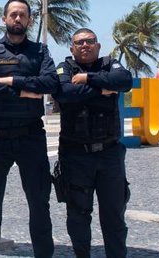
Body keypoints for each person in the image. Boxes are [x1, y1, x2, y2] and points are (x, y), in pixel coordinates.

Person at [0, 0, 59, 258]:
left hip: (31, 138)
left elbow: (50, 84)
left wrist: (11, 80)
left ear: (30, 20)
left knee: (39, 204)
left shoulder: (41, 52)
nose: (18, 19)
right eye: (13, 14)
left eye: (23, 15)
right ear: (5, 19)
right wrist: (24, 92)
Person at [53, 28, 133, 258]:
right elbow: (65, 92)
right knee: (78, 216)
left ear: (98, 46)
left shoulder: (110, 64)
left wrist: (88, 79)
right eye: (79, 42)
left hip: (109, 154)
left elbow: (124, 80)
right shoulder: (65, 68)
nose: (85, 45)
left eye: (89, 41)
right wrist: (103, 90)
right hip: (75, 155)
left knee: (114, 215)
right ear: (72, 48)